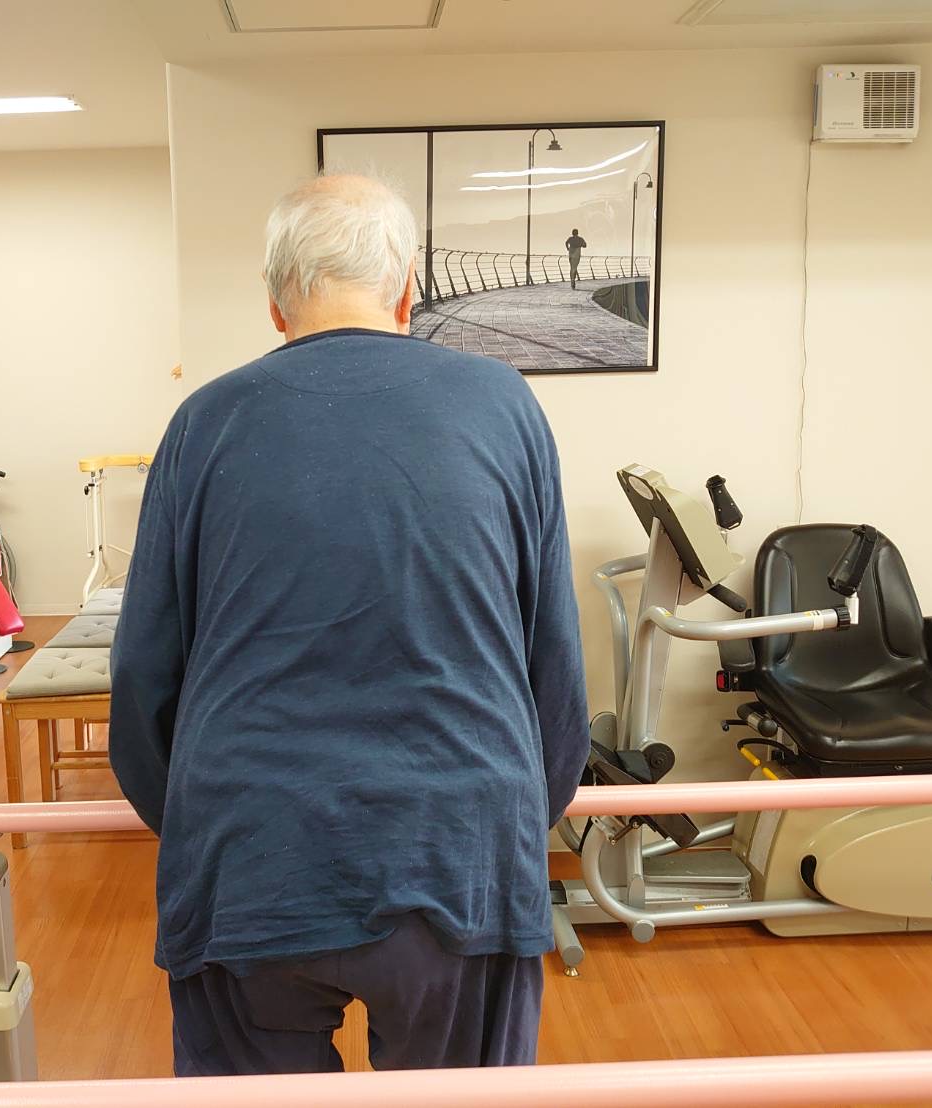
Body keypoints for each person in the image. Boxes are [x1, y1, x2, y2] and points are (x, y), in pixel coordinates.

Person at [109, 173, 589, 1078]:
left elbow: (141, 675)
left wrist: (206, 825)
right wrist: (516, 826)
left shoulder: (203, 420)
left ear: (274, 304)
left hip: (250, 843)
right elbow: (552, 658)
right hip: (455, 840)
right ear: (407, 289)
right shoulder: (503, 405)